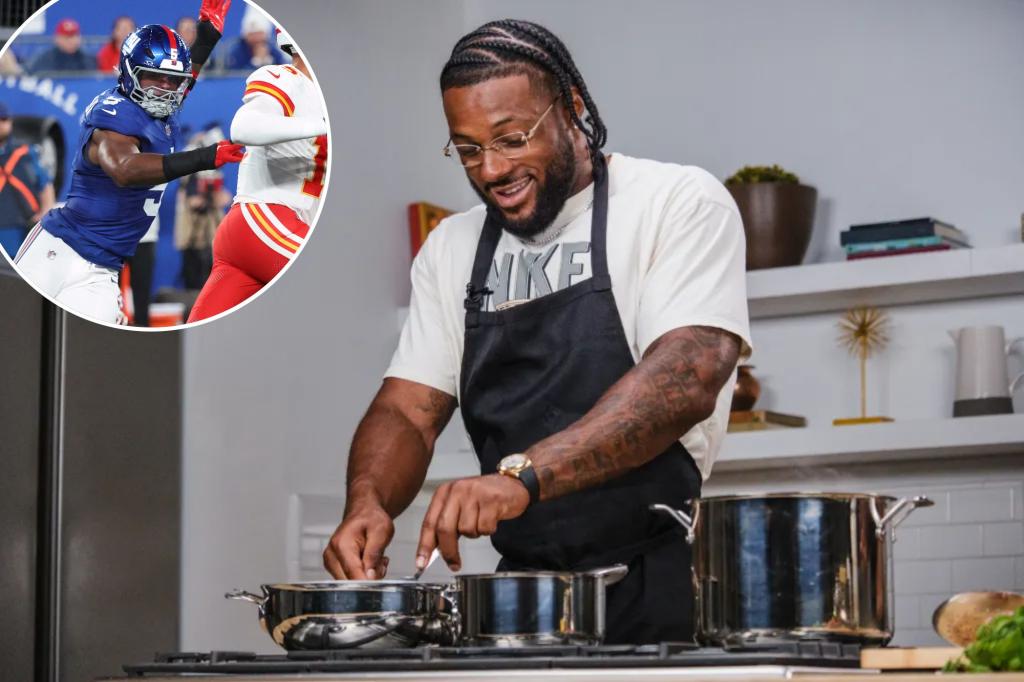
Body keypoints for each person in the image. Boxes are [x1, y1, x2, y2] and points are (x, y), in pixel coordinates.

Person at [323, 20, 752, 645]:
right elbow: (408, 412)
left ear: (573, 108)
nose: (492, 169)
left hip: (653, 587)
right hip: (519, 603)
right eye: (468, 149)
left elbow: (686, 376)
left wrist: (522, 477)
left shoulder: (676, 202)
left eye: (512, 138)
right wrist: (368, 502)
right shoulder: (451, 248)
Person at [14, 2, 243, 325]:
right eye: (153, 77)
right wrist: (206, 156)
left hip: (104, 269)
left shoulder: (162, 101)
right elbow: (125, 170)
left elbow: (179, 80)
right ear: (129, 73)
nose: (165, 89)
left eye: (171, 81)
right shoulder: (114, 113)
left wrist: (207, 34)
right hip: (59, 250)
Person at [187, 27, 326, 322]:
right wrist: (321, 125)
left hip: (266, 227)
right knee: (333, 292)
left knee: (204, 340)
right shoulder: (289, 80)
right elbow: (243, 127)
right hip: (266, 216)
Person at [175, 125, 231, 292]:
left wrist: (216, 198)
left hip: (212, 229)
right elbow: (192, 199)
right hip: (193, 228)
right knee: (193, 269)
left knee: (213, 267)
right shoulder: (189, 164)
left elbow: (223, 196)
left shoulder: (215, 169)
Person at [0, 102, 55, 257]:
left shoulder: (25, 152)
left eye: (4, 119)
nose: (1, 124)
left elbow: (45, 184)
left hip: (22, 228)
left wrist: (46, 214)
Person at [27, 18, 93, 74]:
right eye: (67, 37)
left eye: (74, 36)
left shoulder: (86, 58)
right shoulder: (45, 58)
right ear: (57, 39)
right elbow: (27, 74)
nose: (71, 40)